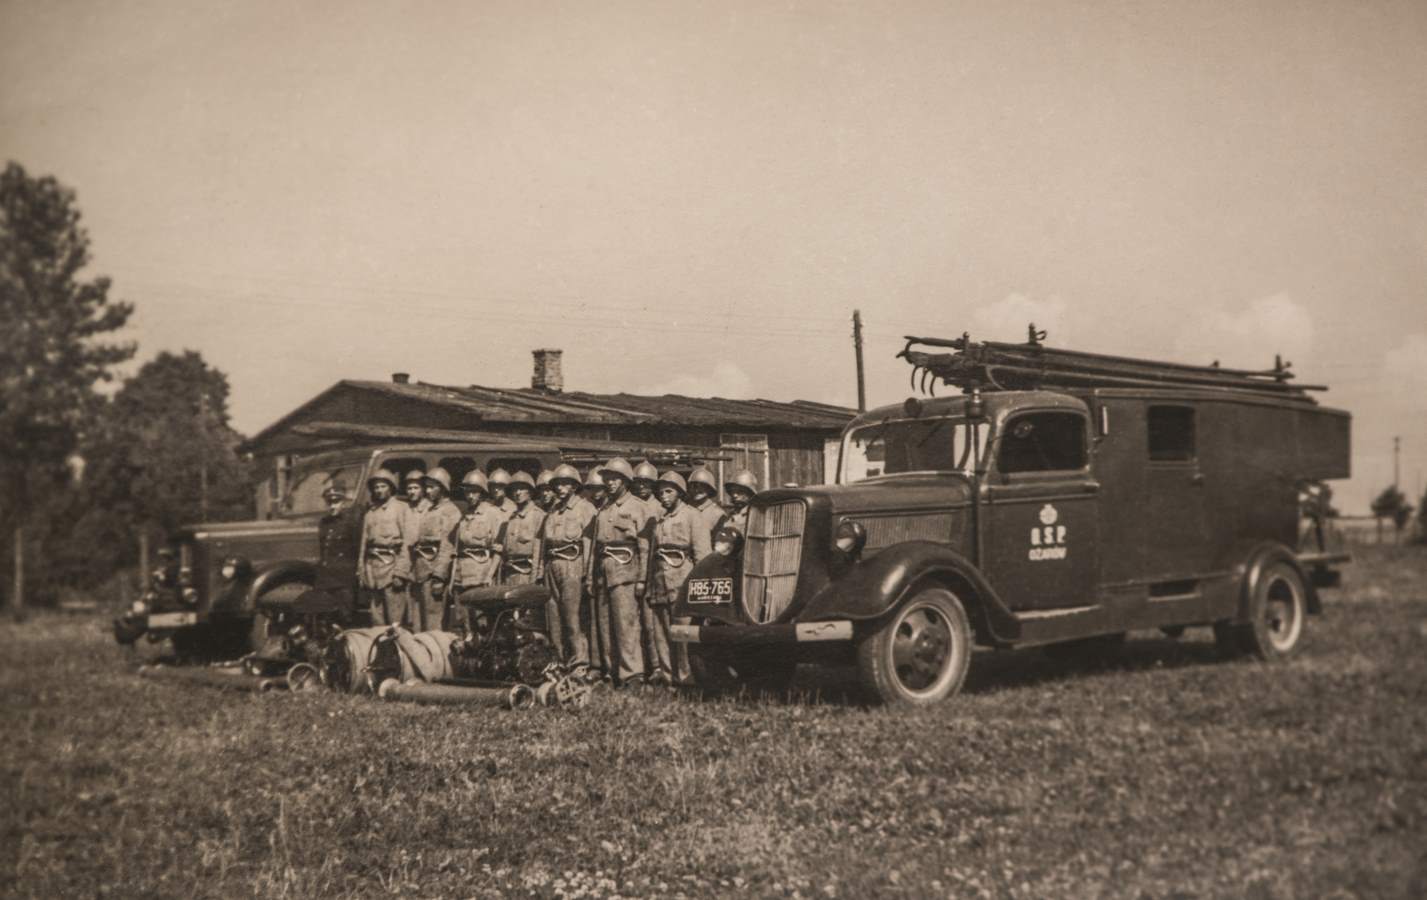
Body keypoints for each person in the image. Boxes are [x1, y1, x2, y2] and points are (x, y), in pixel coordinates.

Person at [646, 471, 711, 686]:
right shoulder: (660, 520)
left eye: (669, 492)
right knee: (662, 634)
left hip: (682, 583)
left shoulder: (693, 516)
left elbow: (703, 557)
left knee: (683, 636)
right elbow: (653, 555)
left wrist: (700, 589)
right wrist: (650, 585)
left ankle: (687, 680)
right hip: (660, 583)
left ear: (680, 493)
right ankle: (669, 679)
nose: (663, 496)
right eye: (660, 492)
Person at [592, 457, 651, 687]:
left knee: (627, 626)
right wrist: (592, 577)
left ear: (625, 481)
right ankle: (611, 673)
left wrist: (642, 579)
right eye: (607, 479)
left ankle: (632, 674)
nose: (610, 483)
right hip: (604, 573)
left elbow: (644, 547)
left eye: (615, 479)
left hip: (626, 574)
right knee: (606, 626)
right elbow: (596, 548)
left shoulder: (638, 507)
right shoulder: (603, 509)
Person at [541, 464, 594, 673]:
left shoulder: (585, 508)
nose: (560, 488)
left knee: (573, 617)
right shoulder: (553, 510)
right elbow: (544, 543)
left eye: (564, 484)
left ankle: (580, 663)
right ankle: (559, 660)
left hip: (573, 564)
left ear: (574, 486)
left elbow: (588, 544)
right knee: (553, 617)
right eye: (557, 484)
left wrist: (587, 572)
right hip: (552, 565)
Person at [356, 468, 416, 627]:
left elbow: (408, 542)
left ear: (391, 487)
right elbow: (364, 545)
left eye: (383, 486)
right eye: (376, 487)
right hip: (373, 570)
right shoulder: (370, 513)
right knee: (376, 618)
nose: (379, 490)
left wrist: (401, 572)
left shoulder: (401, 508)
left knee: (395, 619)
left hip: (392, 567)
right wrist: (361, 569)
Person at [451, 469, 505, 631]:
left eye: (474, 492)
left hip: (481, 573)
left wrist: (489, 575)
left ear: (482, 493)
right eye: (467, 492)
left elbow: (498, 550)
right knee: (464, 619)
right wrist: (453, 577)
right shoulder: (465, 515)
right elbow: (458, 548)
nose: (470, 496)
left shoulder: (492, 513)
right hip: (462, 574)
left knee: (481, 620)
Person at [412, 467, 462, 631]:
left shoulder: (450, 511)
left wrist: (439, 577)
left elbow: (448, 547)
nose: (427, 491)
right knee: (419, 624)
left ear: (442, 488)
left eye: (432, 487)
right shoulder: (429, 510)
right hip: (421, 572)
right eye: (426, 487)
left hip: (433, 574)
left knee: (434, 624)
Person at [499, 472, 545, 587]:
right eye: (515, 489)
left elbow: (539, 552)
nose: (518, 493)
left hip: (527, 574)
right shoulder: (511, 518)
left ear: (530, 492)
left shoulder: (538, 516)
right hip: (509, 575)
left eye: (522, 489)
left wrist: (534, 578)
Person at [686, 467, 725, 540]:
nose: (697, 490)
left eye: (702, 486)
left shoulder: (718, 514)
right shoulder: (685, 509)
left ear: (710, 489)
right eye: (694, 486)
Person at [718, 469, 759, 535]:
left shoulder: (756, 516)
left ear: (750, 493)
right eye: (732, 491)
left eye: (740, 491)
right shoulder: (730, 515)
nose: (735, 495)